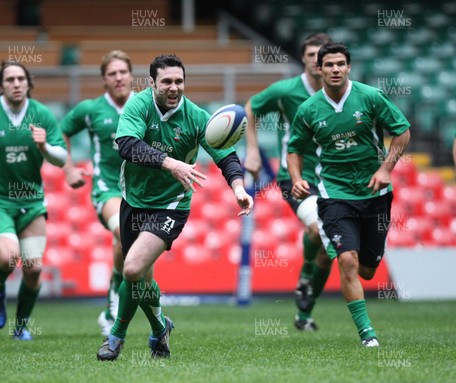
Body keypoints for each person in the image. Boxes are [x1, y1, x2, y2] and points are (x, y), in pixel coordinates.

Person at [96, 54, 254, 361]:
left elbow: (226, 156)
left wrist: (238, 188)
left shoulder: (196, 116)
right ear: (152, 83)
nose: (173, 87)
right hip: (133, 201)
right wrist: (170, 163)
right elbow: (127, 145)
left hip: (171, 206)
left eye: (179, 81)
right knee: (141, 279)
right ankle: (160, 328)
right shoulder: (139, 105)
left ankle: (115, 336)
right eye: (166, 81)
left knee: (131, 268)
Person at [287, 42, 411, 348]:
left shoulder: (369, 97)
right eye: (329, 65)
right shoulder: (309, 109)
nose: (335, 69)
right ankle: (367, 334)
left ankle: (320, 285)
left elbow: (403, 131)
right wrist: (296, 178)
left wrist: (385, 170)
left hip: (374, 192)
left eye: (340, 64)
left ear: (349, 67)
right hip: (334, 194)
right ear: (319, 69)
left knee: (368, 270)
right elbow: (294, 149)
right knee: (347, 260)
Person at [0, 61, 66, 341]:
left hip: (32, 201)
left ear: (28, 83)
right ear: (1, 85)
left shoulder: (41, 114)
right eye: (10, 79)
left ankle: (21, 327)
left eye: (21, 79)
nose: (16, 84)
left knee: (34, 268)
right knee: (8, 257)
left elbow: (60, 158)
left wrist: (44, 146)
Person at [244, 33, 333, 331]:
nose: (317, 61)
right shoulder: (286, 91)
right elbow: (251, 107)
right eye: (310, 55)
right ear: (304, 59)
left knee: (330, 246)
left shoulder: (344, 93)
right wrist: (253, 151)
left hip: (335, 179)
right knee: (318, 230)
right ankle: (306, 277)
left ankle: (304, 315)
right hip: (295, 177)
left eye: (322, 55)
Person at [60, 50, 133, 336]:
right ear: (104, 79)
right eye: (112, 73)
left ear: (131, 75)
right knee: (122, 231)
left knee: (135, 250)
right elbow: (60, 131)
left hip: (141, 191)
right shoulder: (90, 110)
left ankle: (114, 298)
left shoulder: (145, 105)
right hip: (108, 188)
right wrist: (68, 168)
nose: (118, 78)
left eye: (123, 72)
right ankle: (115, 301)